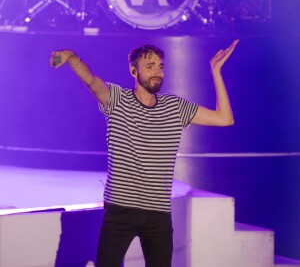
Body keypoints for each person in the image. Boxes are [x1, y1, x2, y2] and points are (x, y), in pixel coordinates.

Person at [50, 40, 238, 267]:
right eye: (150, 66)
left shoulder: (175, 108)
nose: (158, 72)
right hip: (120, 211)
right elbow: (91, 80)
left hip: (157, 214)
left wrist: (216, 71)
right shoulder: (117, 100)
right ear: (133, 70)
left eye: (160, 66)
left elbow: (225, 119)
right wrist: (71, 56)